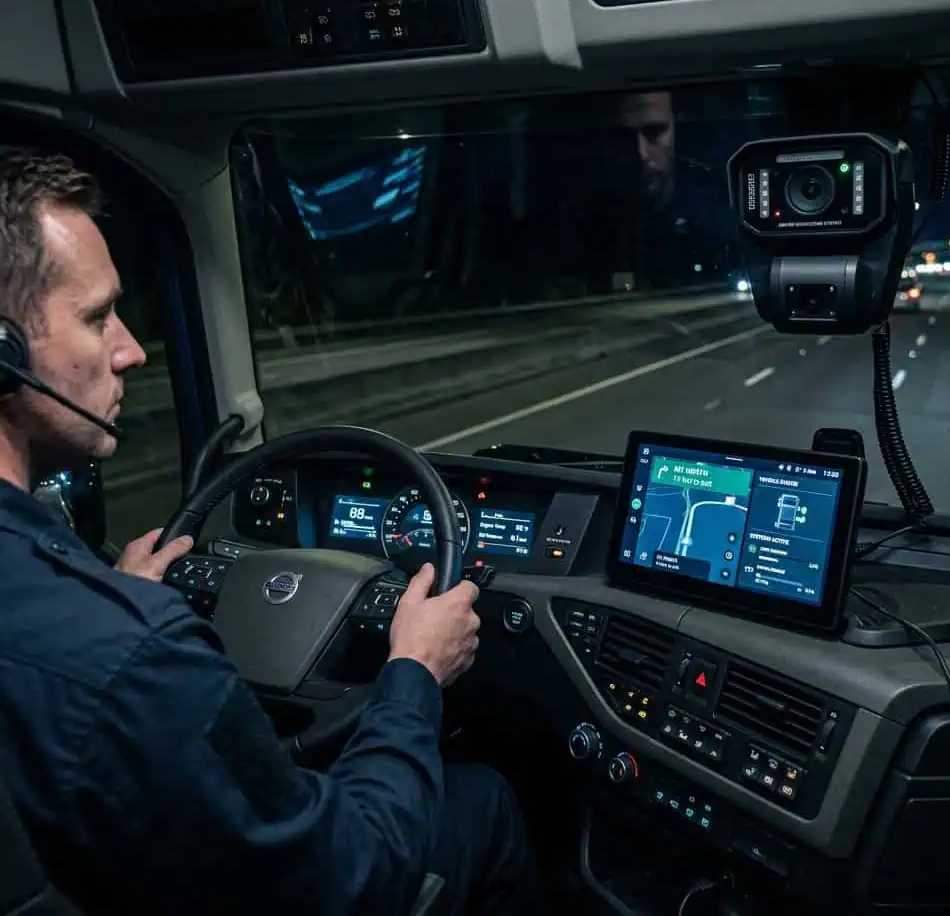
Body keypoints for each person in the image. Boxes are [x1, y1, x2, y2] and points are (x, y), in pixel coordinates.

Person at [0, 152, 543, 914]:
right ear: (4, 355)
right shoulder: (134, 654)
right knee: (482, 797)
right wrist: (415, 672)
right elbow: (355, 876)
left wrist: (110, 598)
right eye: (97, 317)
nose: (131, 349)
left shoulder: (86, 622)